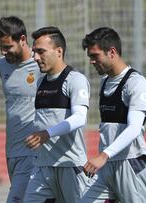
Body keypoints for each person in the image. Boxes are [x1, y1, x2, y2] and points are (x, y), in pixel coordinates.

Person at [80, 27, 146, 203]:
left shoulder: (136, 83)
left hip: (129, 163)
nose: (91, 61)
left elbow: (134, 127)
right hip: (106, 168)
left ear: (112, 52)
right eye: (90, 56)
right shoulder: (105, 81)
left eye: (95, 56)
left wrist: (104, 155)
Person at [23, 26, 91, 203]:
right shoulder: (40, 82)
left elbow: (79, 118)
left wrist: (47, 134)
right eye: (34, 52)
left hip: (70, 166)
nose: (36, 57)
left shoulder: (75, 79)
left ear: (59, 51)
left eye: (41, 52)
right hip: (43, 167)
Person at [0, 16, 44, 203]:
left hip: (33, 150)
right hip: (12, 150)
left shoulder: (41, 64)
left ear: (22, 39)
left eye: (8, 47)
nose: (3, 51)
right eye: (1, 46)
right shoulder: (2, 65)